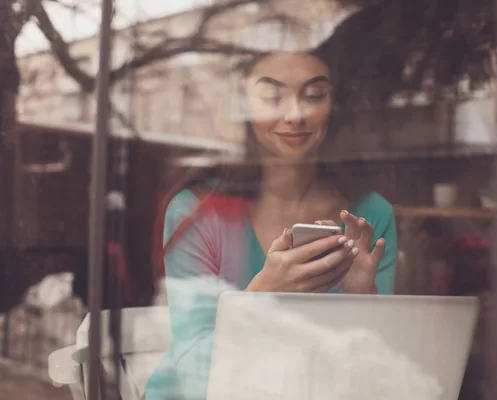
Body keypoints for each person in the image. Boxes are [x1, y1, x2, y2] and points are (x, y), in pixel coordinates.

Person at [146, 50, 398, 399]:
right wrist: (261, 297)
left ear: (333, 107)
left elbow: (381, 375)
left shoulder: (371, 216)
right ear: (245, 107)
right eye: (271, 97)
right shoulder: (199, 211)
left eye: (314, 95)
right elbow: (193, 372)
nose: (295, 114)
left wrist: (359, 302)